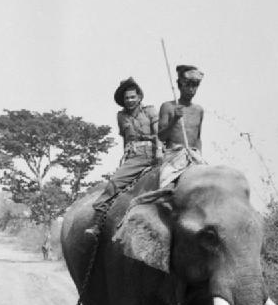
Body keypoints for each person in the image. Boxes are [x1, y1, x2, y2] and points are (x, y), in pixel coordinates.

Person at [84, 77, 159, 236]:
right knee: (114, 184)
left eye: (133, 97)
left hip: (154, 152)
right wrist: (125, 159)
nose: (130, 100)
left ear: (139, 98)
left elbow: (158, 133)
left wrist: (159, 151)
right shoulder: (121, 116)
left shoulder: (150, 111)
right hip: (135, 157)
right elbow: (126, 140)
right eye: (127, 98)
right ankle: (97, 222)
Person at [156, 65, 205, 189]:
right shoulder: (168, 106)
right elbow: (161, 136)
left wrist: (200, 157)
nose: (191, 89)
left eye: (195, 85)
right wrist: (174, 120)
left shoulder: (199, 110)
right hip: (174, 157)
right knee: (167, 189)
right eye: (187, 85)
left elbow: (198, 138)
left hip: (194, 156)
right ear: (179, 85)